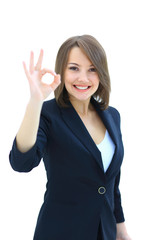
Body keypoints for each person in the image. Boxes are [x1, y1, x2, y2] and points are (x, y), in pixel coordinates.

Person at [9, 35, 131, 240]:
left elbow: (111, 183)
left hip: (105, 233)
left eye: (92, 69)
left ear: (101, 73)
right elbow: (22, 162)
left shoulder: (112, 115)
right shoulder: (48, 114)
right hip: (60, 232)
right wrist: (35, 101)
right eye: (74, 68)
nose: (83, 78)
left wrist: (121, 230)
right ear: (61, 71)